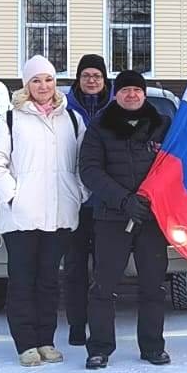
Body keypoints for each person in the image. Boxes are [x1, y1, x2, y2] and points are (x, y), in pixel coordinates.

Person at [0, 55, 86, 368]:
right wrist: (13, 197)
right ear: (27, 85)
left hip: (60, 214)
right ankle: (26, 343)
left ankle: (45, 340)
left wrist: (79, 194)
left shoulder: (71, 119)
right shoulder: (11, 120)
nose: (43, 86)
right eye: (36, 80)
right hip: (21, 218)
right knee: (22, 281)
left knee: (49, 281)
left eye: (48, 80)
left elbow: (85, 163)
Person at [80, 70, 171, 369]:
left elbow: (178, 165)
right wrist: (123, 200)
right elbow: (90, 170)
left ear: (144, 93)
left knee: (153, 286)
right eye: (125, 90)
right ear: (115, 94)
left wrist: (152, 201)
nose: (131, 95)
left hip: (152, 219)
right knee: (103, 286)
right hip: (111, 218)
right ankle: (100, 348)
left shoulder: (162, 125)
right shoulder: (99, 126)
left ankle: (153, 346)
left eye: (136, 90)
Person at [62, 53, 112, 345]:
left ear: (104, 79)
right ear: (78, 79)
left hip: (108, 203)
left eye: (97, 75)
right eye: (86, 75)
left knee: (104, 269)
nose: (91, 80)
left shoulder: (118, 107)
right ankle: (77, 324)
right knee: (75, 267)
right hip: (74, 203)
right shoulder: (63, 109)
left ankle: (100, 323)